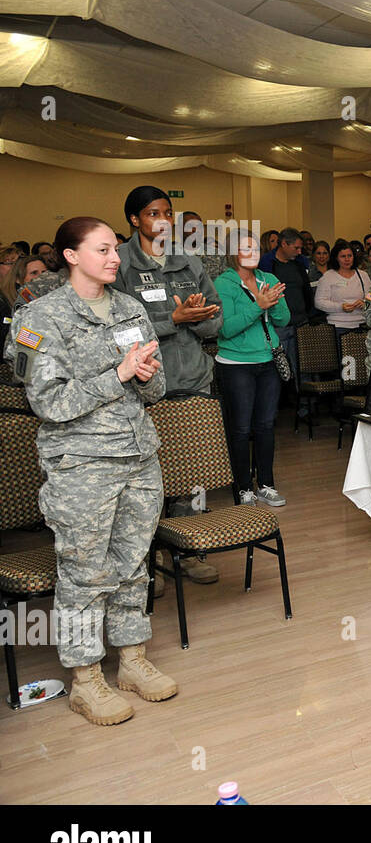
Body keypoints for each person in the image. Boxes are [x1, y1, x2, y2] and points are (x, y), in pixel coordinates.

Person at [8, 216, 175, 726]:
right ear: (71, 255)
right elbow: (49, 403)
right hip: (81, 467)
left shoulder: (130, 308)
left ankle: (132, 660)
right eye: (102, 250)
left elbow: (157, 388)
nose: (115, 258)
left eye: (115, 251)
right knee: (83, 574)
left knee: (132, 564)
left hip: (139, 458)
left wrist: (143, 377)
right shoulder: (38, 318)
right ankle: (85, 679)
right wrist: (118, 374)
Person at [111, 187, 223, 399]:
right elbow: (117, 330)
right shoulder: (119, 262)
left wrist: (196, 318)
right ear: (135, 220)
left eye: (168, 213)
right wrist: (172, 319)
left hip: (195, 380)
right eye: (153, 214)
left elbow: (217, 315)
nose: (164, 220)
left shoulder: (189, 260)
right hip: (142, 385)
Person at [213, 228, 290, 507]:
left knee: (266, 426)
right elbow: (226, 329)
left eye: (255, 248)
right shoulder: (223, 284)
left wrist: (275, 303)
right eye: (245, 249)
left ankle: (266, 484)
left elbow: (282, 320)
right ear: (233, 254)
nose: (252, 253)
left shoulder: (268, 278)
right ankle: (244, 487)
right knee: (241, 429)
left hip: (267, 362)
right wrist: (259, 305)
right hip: (235, 365)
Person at [270, 228, 311, 403]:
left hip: (301, 322)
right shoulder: (268, 264)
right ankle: (275, 409)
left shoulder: (299, 264)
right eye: (296, 247)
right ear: (284, 244)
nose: (299, 251)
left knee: (305, 368)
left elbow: (306, 290)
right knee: (276, 370)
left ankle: (305, 409)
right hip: (280, 326)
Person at [314, 239, 371, 331]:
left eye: (350, 256)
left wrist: (365, 302)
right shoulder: (328, 277)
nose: (347, 259)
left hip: (361, 324)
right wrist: (340, 307)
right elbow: (319, 302)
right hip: (337, 325)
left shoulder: (363, 275)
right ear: (336, 258)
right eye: (343, 256)